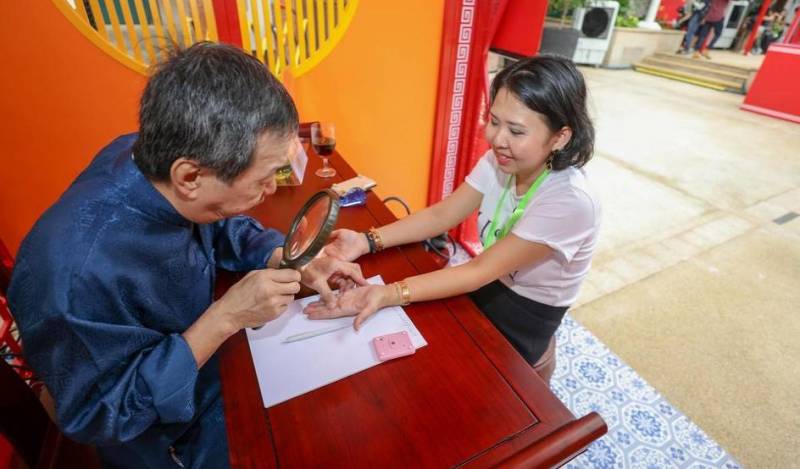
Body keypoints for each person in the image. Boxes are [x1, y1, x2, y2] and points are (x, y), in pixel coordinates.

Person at [7, 42, 365, 468]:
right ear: (190, 176)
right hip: (167, 435)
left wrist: (284, 258)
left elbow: (218, 220)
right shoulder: (74, 278)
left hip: (217, 360)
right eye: (264, 178)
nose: (272, 190)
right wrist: (224, 318)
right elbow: (99, 415)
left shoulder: (151, 156)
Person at [306, 55, 601, 367]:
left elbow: (477, 271)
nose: (497, 139)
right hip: (487, 286)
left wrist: (386, 293)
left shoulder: (570, 201)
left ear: (560, 137)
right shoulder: (500, 160)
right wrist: (365, 241)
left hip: (524, 315)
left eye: (516, 131)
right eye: (494, 121)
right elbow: (442, 215)